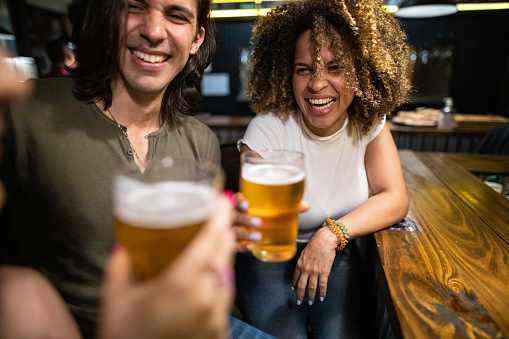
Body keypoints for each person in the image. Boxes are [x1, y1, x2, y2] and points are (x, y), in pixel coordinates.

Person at [0, 0, 268, 338]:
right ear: (107, 18)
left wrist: (220, 242)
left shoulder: (202, 142)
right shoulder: (25, 110)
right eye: (135, 7)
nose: (154, 31)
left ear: (196, 39)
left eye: (175, 15)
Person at [235, 0, 411, 338]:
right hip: (268, 257)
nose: (317, 84)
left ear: (361, 70)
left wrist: (331, 235)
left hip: (335, 251)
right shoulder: (268, 128)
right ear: (288, 73)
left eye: (335, 67)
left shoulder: (367, 122)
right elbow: (254, 222)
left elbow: (395, 197)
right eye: (304, 69)